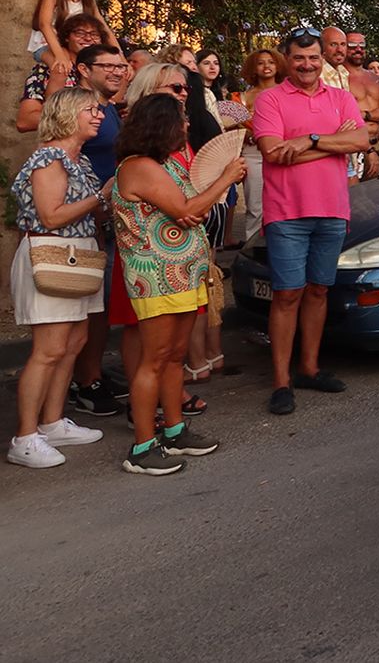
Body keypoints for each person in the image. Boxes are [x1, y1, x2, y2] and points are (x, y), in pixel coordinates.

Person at [111, 94, 242, 474]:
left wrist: (193, 206)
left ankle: (174, 428)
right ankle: (142, 447)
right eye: (180, 120)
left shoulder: (163, 165)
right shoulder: (140, 167)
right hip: (156, 279)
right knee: (154, 361)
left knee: (173, 357)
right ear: (159, 125)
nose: (186, 126)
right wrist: (223, 181)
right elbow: (187, 209)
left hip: (181, 275)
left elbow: (188, 207)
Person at [251, 30, 370, 415]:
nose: (307, 65)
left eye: (314, 58)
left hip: (333, 210)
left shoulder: (340, 97)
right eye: (300, 58)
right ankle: (281, 381)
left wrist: (306, 141)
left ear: (322, 60)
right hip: (287, 212)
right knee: (287, 294)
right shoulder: (269, 99)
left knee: (318, 290)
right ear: (287, 59)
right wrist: (329, 144)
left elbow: (362, 141)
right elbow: (271, 152)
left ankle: (309, 368)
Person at [7, 89, 109, 468]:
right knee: (49, 349)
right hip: (52, 255)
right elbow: (50, 216)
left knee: (73, 342)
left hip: (77, 256)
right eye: (90, 110)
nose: (98, 116)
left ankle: (51, 422)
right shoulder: (49, 157)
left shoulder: (76, 158)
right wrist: (101, 197)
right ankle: (26, 436)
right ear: (67, 114)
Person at [66, 44, 129, 418]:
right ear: (84, 69)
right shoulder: (79, 107)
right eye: (107, 66)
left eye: (120, 66)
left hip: (108, 216)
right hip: (88, 219)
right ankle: (85, 382)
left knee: (103, 304)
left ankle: (92, 374)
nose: (117, 71)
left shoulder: (107, 109)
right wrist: (92, 207)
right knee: (92, 305)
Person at [320, 26, 379, 183]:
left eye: (362, 45)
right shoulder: (324, 74)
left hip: (370, 146)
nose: (358, 49)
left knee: (376, 199)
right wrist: (367, 150)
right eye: (352, 45)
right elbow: (346, 120)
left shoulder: (348, 75)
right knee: (355, 199)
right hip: (352, 147)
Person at [16, 13, 106, 133]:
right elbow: (24, 122)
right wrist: (76, 116)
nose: (88, 38)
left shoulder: (108, 70)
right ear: (67, 37)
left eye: (94, 34)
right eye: (80, 33)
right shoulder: (47, 70)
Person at [241, 48, 289, 242]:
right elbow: (231, 129)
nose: (266, 66)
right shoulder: (243, 97)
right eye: (261, 63)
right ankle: (252, 246)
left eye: (271, 62)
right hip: (252, 154)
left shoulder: (287, 92)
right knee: (255, 204)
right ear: (253, 68)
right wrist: (248, 134)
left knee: (283, 201)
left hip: (283, 150)